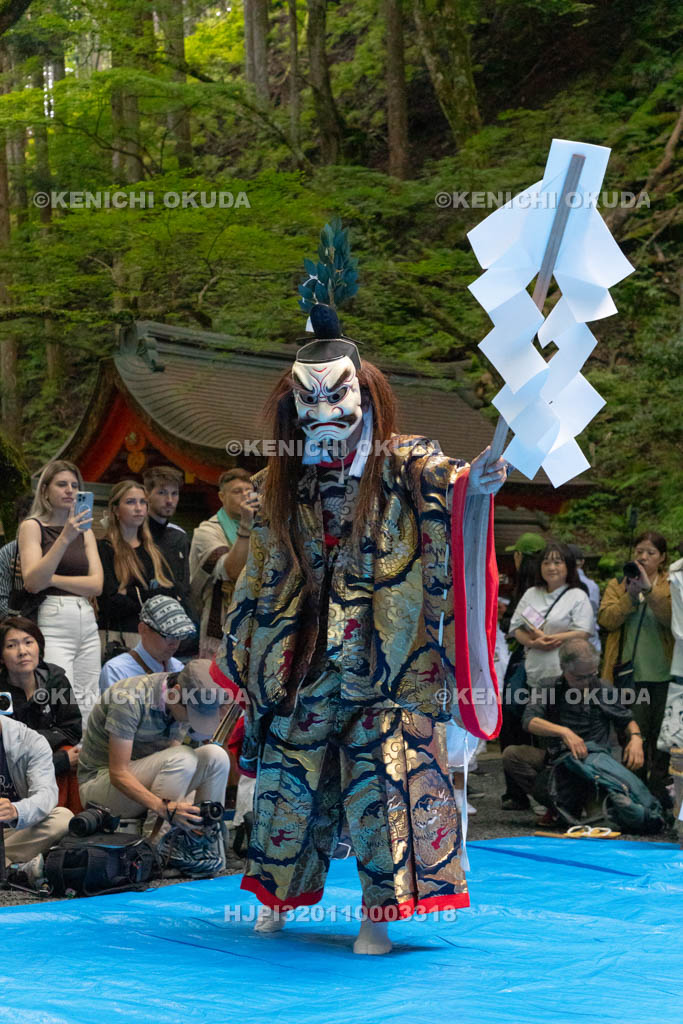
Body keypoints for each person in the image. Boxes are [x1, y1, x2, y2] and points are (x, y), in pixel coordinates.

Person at [214, 304, 505, 954]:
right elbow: (258, 574)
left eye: (337, 394)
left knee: (385, 784)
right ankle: (275, 896)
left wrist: (476, 485)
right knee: (287, 783)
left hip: (384, 660)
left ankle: (379, 917)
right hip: (302, 659)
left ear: (366, 394)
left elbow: (449, 483)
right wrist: (248, 650)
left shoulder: (404, 462)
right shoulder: (278, 480)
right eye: (308, 399)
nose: (323, 411)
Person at [78, 659, 231, 876]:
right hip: (100, 787)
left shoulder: (183, 699)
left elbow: (174, 767)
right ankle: (156, 848)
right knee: (184, 756)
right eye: (192, 714)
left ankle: (201, 841)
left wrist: (191, 810)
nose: (191, 721)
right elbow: (118, 774)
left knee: (216, 756)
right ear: (174, 694)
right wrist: (163, 808)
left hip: (148, 779)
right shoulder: (129, 698)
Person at [502, 639, 653, 830]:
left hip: (594, 769)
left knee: (601, 823)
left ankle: (578, 806)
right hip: (559, 762)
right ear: (563, 668)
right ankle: (557, 804)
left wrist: (636, 738)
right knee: (512, 755)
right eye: (580, 678)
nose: (587, 682)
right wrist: (564, 732)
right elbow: (529, 720)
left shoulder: (602, 688)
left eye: (592, 674)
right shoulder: (549, 686)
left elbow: (627, 720)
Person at [17, 460, 103, 726]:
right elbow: (33, 582)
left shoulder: (85, 532)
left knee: (89, 695)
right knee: (58, 692)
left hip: (85, 615)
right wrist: (65, 536)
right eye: (62, 484)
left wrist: (51, 578)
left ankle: (86, 750)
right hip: (52, 616)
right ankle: (60, 749)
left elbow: (97, 585)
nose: (69, 490)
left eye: (75, 486)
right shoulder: (33, 526)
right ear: (45, 490)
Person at [598, 531, 673, 805]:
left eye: (650, 553)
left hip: (665, 675)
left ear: (662, 558)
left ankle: (660, 794)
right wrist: (630, 596)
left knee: (664, 738)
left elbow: (672, 618)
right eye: (639, 551)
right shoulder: (618, 584)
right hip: (629, 677)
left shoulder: (671, 583)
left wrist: (649, 590)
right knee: (632, 735)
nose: (643, 557)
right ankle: (636, 797)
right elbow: (606, 619)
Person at [0, 617, 82, 805]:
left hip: (44, 755)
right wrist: (56, 761)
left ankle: (69, 818)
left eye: (28, 642)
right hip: (9, 767)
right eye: (11, 646)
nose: (23, 651)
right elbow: (6, 748)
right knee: (64, 759)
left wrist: (36, 746)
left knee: (71, 753)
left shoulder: (56, 680)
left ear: (39, 647)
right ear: (1, 657)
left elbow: (72, 730)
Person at [97, 480, 180, 650]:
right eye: (130, 502)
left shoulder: (154, 551)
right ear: (115, 510)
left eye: (143, 502)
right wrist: (152, 596)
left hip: (155, 638)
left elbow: (172, 594)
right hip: (118, 637)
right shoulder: (104, 549)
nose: (138, 508)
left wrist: (130, 592)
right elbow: (110, 603)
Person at [189, 469, 259, 658]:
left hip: (255, 621)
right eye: (237, 491)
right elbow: (232, 571)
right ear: (221, 496)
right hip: (220, 624)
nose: (245, 496)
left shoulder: (262, 527)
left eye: (249, 491)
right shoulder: (207, 531)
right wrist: (246, 525)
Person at [0, 712, 73, 887]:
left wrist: (16, 811)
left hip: (16, 831)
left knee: (63, 819)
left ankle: (7, 864)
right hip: (17, 842)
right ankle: (14, 869)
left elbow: (46, 794)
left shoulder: (30, 741)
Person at [509, 541, 594, 687]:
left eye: (557, 562)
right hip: (533, 672)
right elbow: (516, 628)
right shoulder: (531, 593)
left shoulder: (578, 596)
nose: (551, 567)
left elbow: (583, 632)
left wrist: (548, 639)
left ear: (568, 566)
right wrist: (532, 643)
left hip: (565, 676)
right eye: (546, 563)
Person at [98, 594, 194, 692]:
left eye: (180, 635)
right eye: (168, 636)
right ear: (143, 629)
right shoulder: (117, 671)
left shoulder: (179, 668)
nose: (174, 644)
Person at [143, 466, 195, 624]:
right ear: (147, 495)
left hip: (175, 619)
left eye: (174, 493)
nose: (169, 500)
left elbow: (184, 587)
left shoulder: (179, 536)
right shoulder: (132, 532)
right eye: (162, 493)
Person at [659, 549, 683, 841]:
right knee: (680, 759)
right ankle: (681, 823)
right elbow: (681, 630)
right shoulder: (677, 577)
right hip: (682, 678)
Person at [567, 543, 601, 652]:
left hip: (564, 642)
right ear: (582, 562)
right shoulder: (593, 585)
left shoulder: (558, 583)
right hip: (590, 641)